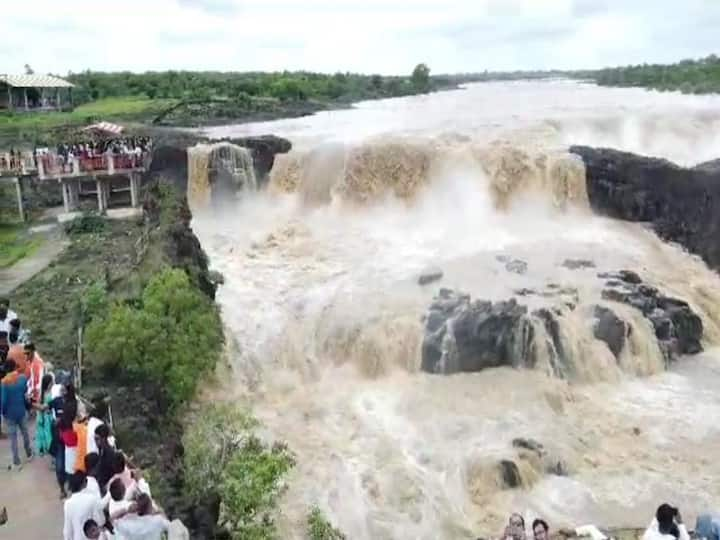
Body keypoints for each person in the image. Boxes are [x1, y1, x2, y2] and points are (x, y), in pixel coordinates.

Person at [0, 359, 32, 470]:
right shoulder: (22, 378)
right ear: (15, 367)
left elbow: (3, 401)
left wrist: (3, 412)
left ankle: (16, 461)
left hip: (10, 414)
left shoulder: (4, 382)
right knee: (25, 432)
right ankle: (29, 453)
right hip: (21, 410)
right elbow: (25, 390)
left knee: (13, 438)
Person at [63, 471, 105, 540]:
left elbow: (67, 530)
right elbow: (100, 521)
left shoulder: (68, 504)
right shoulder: (92, 499)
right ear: (84, 484)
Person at [33, 373, 54, 456]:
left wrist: (32, 404)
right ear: (48, 383)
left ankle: (46, 449)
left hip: (44, 416)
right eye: (51, 382)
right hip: (46, 417)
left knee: (46, 433)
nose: (53, 383)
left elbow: (41, 407)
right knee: (45, 433)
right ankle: (46, 448)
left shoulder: (43, 393)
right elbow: (42, 407)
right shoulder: (49, 394)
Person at [95, 423, 117, 491]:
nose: (95, 441)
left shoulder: (110, 453)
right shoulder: (101, 449)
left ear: (103, 438)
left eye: (97, 438)